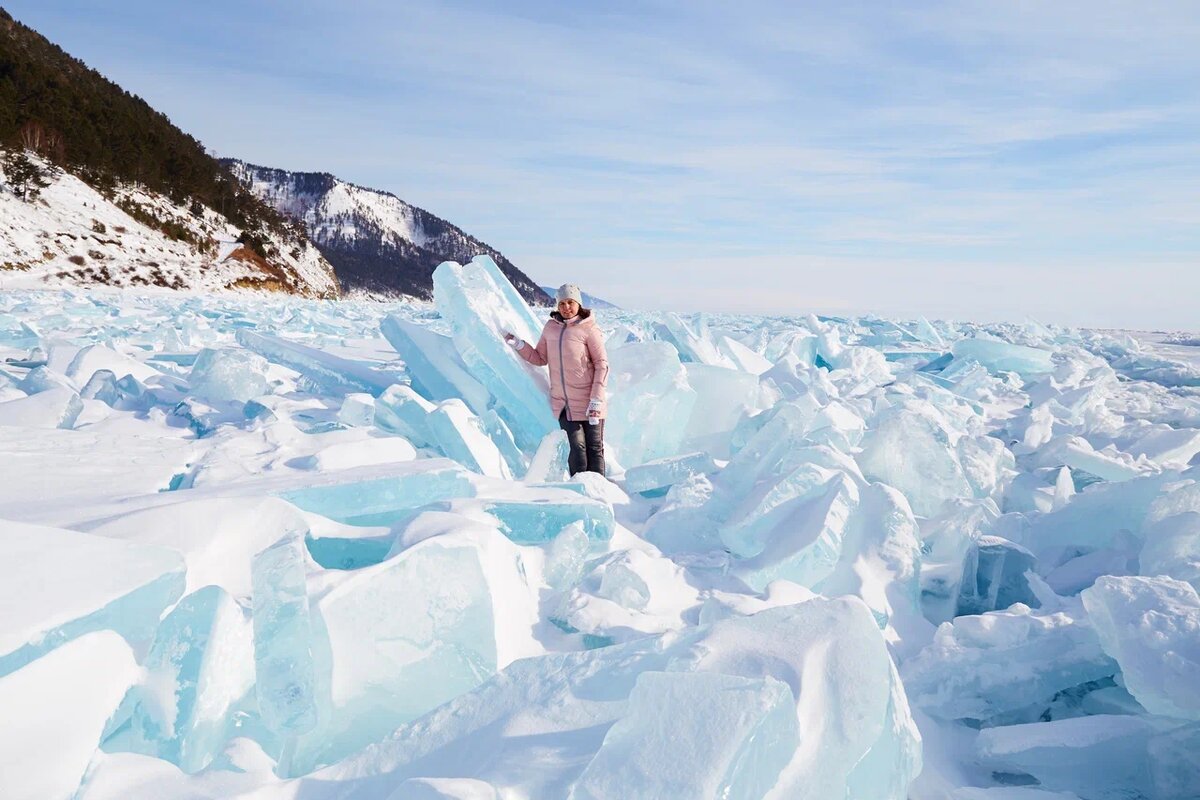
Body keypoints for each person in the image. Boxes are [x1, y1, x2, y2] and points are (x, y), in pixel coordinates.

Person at [504, 284, 609, 476]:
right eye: (562, 303)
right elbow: (539, 358)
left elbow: (602, 365)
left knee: (594, 448)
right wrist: (519, 345)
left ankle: (599, 490)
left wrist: (596, 400)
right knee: (576, 448)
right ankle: (580, 488)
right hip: (564, 404)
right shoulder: (551, 328)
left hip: (590, 402)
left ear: (578, 304)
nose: (566, 307)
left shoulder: (589, 329)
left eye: (570, 302)